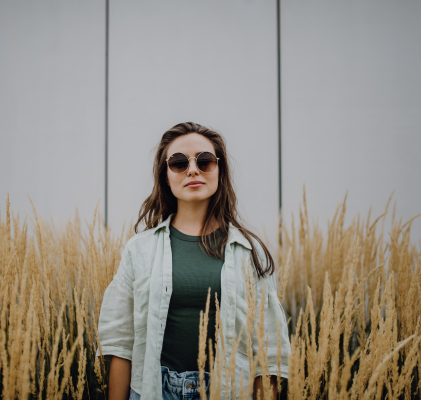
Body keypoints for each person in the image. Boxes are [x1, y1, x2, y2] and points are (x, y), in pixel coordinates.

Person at [97, 122, 291, 400]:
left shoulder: (249, 252)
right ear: (165, 176)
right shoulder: (139, 250)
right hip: (154, 389)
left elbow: (268, 351)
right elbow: (122, 345)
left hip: (227, 391)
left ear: (219, 170)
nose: (192, 169)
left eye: (205, 161)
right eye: (178, 163)